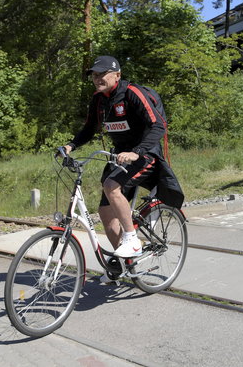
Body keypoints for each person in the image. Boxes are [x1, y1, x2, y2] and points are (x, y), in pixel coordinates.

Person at [63, 55, 184, 267]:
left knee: (111, 186)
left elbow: (159, 125)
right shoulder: (99, 99)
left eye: (102, 74)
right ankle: (124, 261)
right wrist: (71, 145)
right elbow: (90, 128)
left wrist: (137, 152)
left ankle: (132, 239)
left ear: (117, 75)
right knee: (105, 211)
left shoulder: (132, 93)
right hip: (119, 155)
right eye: (94, 75)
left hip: (145, 154)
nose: (97, 78)